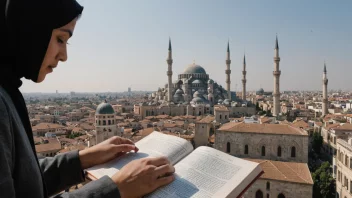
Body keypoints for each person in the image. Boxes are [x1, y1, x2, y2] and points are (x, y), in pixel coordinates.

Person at [0, 0, 175, 197]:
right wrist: (116, 189)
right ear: (29, 27)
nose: (64, 56)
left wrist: (83, 159)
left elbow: (23, 180)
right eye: (60, 38)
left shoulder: (8, 90)